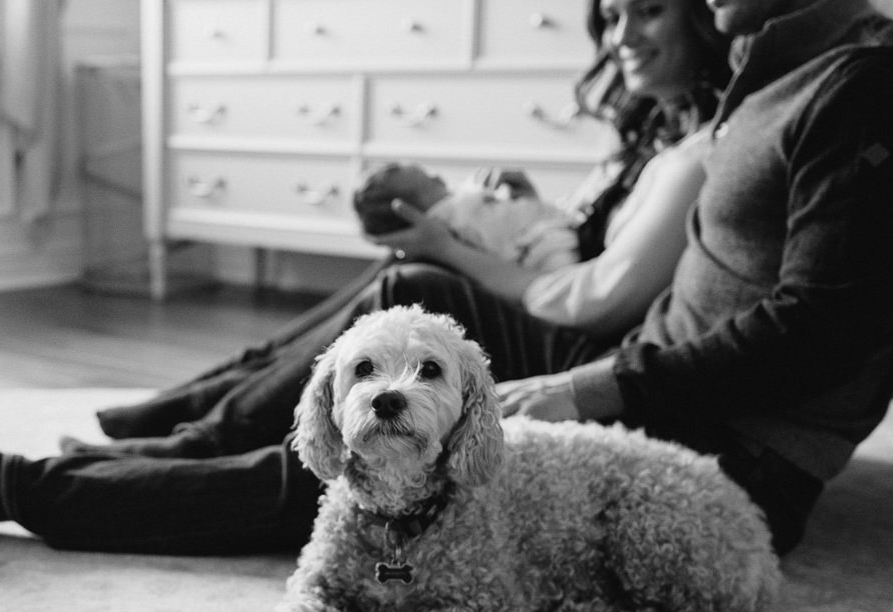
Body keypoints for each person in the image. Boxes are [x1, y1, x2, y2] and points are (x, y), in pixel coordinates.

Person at [0, 0, 893, 558]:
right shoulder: (779, 71)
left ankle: (11, 490)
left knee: (382, 468)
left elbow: (824, 328)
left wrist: (588, 388)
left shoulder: (864, 84)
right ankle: (182, 437)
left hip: (731, 451)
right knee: (415, 308)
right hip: (658, 371)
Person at [68, 0, 732, 460]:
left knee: (411, 285)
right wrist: (534, 206)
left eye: (650, 12)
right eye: (612, 17)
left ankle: (201, 436)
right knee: (396, 281)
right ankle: (195, 407)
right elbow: (593, 242)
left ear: (705, 19)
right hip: (557, 311)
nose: (621, 37)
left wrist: (452, 248)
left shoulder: (701, 154)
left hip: (580, 350)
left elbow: (594, 298)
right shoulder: (654, 133)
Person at [352, 162, 582, 273]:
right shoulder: (451, 216)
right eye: (432, 182)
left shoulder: (456, 210)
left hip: (543, 237)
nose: (440, 177)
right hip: (541, 245)